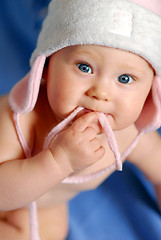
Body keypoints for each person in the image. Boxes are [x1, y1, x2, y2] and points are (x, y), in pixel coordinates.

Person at [0, 0, 161, 239]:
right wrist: (58, 160)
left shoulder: (131, 134)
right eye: (84, 67)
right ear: (46, 67)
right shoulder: (19, 120)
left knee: (51, 233)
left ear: (150, 91)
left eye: (125, 79)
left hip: (39, 207)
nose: (100, 93)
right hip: (10, 193)